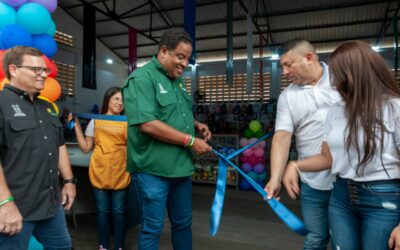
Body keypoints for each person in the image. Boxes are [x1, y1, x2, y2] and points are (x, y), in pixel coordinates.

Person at [287, 40, 400, 250]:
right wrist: (295, 165)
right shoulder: (335, 111)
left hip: (383, 199)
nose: (332, 82)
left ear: (356, 73)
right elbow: (327, 158)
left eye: (337, 75)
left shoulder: (393, 108)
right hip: (341, 196)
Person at [121, 28, 212, 250]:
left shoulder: (177, 81)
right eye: (180, 57)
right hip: (153, 170)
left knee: (183, 224)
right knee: (152, 228)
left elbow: (179, 111)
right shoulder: (142, 79)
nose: (184, 63)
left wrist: (196, 124)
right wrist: (191, 141)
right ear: (163, 52)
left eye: (187, 59)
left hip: (180, 168)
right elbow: (147, 123)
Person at [264, 38, 341, 249]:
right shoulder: (288, 96)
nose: (285, 72)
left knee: (343, 242)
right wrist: (275, 177)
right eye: (282, 67)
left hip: (347, 179)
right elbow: (282, 136)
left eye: (288, 64)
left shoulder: (341, 79)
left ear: (309, 58)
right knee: (316, 237)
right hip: (312, 181)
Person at [0, 46, 76, 249]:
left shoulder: (47, 107)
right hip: (15, 206)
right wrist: (4, 204)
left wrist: (69, 181)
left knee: (62, 246)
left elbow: (59, 145)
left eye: (45, 70)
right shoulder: (1, 104)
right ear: (14, 70)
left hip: (51, 205)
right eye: (36, 70)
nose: (44, 74)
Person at [68, 87, 130, 250]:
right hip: (100, 170)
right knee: (103, 212)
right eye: (116, 98)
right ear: (108, 99)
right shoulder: (95, 121)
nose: (119, 103)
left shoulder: (127, 121)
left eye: (122, 100)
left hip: (121, 171)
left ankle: (119, 247)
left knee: (119, 212)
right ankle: (103, 246)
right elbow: (86, 148)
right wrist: (76, 127)